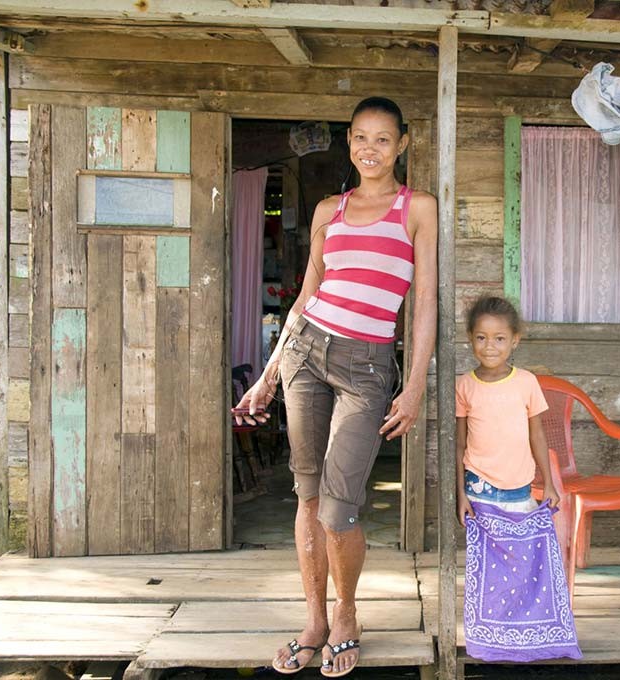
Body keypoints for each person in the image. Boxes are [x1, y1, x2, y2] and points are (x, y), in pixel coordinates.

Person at [235, 96, 437, 677]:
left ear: (400, 145)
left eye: (382, 138)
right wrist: (269, 375)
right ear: (349, 142)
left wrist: (416, 381)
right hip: (306, 354)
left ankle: (347, 613)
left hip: (367, 367)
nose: (369, 149)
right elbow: (304, 298)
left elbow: (422, 301)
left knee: (339, 506)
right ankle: (315, 620)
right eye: (359, 138)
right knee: (307, 495)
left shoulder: (416, 207)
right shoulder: (329, 209)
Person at [455, 296, 559, 523]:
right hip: (478, 487)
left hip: (519, 487)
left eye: (499, 338)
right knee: (486, 553)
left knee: (518, 554)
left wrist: (549, 484)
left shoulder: (527, 382)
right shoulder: (464, 385)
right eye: (481, 337)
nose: (489, 346)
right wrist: (460, 493)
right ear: (470, 338)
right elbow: (460, 444)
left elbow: (537, 436)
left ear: (514, 340)